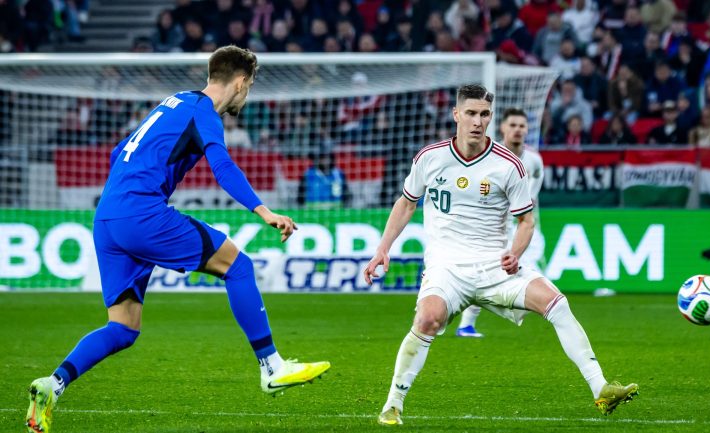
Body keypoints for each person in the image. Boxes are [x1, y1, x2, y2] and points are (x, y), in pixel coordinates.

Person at [25, 46, 330, 433]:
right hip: (141, 214)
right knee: (238, 266)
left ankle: (52, 384)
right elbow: (223, 166)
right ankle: (272, 367)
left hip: (107, 216)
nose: (247, 95)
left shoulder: (174, 101)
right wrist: (263, 210)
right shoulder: (204, 112)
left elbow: (119, 152)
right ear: (240, 82)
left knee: (123, 328)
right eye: (250, 86)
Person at [363, 84, 638, 426]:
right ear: (456, 115)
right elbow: (406, 203)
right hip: (447, 267)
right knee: (427, 319)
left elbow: (526, 221)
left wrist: (515, 252)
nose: (478, 121)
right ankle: (393, 405)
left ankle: (601, 388)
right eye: (471, 113)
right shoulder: (429, 157)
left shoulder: (510, 165)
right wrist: (382, 249)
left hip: (495, 266)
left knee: (556, 303)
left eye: (484, 114)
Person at [456, 108, 546, 338]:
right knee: (485, 271)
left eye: (522, 126)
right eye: (513, 125)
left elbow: (537, 176)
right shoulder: (490, 156)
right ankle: (464, 323)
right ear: (503, 128)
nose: (517, 130)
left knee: (523, 269)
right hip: (493, 223)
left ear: (527, 130)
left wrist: (530, 196)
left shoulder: (533, 159)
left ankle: (471, 322)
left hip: (522, 223)